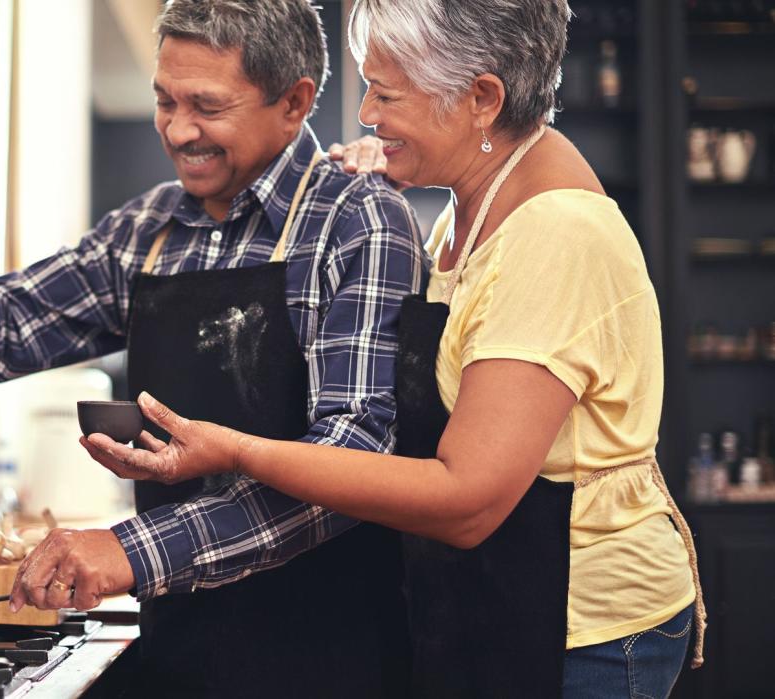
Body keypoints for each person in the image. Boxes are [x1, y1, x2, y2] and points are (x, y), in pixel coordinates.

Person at [68, 1, 706, 697]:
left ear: (481, 99)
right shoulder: (474, 208)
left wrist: (237, 448)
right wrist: (412, 150)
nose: (366, 113)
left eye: (387, 93)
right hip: (498, 604)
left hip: (585, 632)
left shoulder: (552, 236)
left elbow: (467, 498)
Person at [0, 1, 423, 695]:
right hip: (181, 648)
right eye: (164, 99)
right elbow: (12, 325)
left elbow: (352, 456)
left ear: (295, 102)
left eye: (207, 106)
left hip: (326, 658)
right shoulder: (148, 230)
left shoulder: (360, 221)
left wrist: (133, 551)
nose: (177, 129)